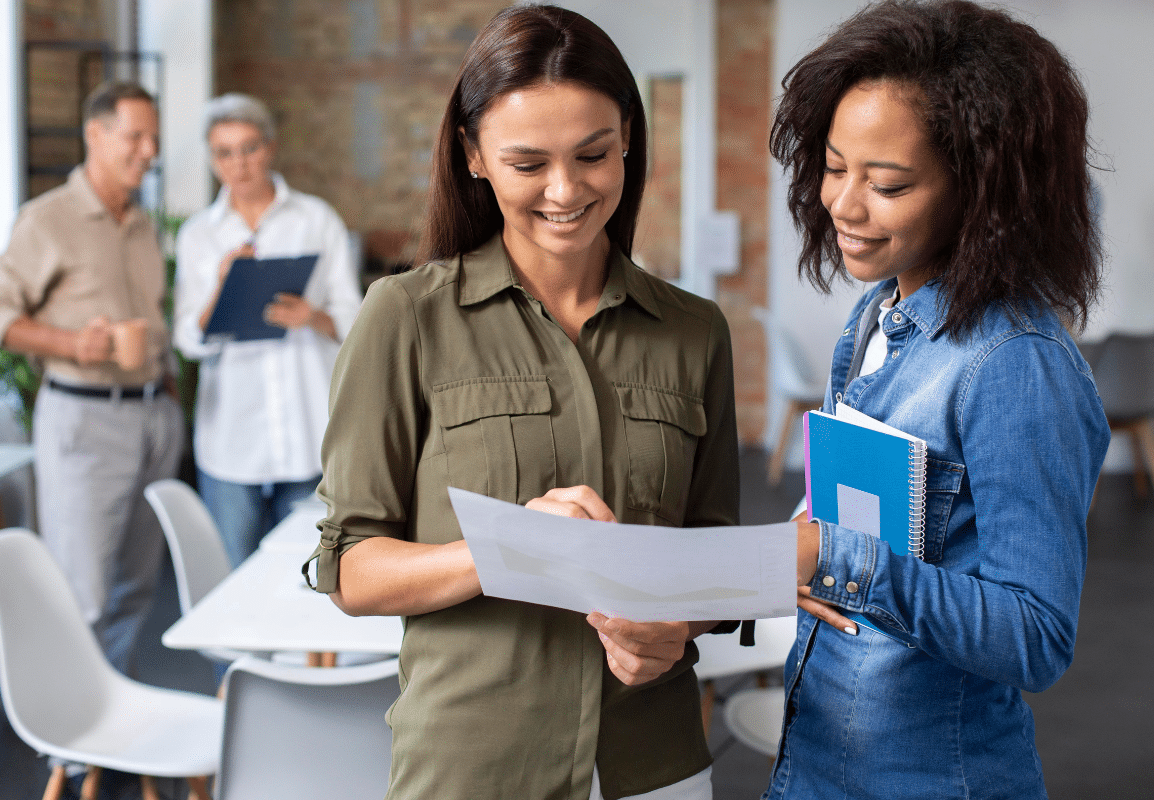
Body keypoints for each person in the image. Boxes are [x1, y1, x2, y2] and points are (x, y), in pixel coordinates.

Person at [305, 6, 740, 799]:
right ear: (473, 155)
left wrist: (677, 625)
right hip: (474, 764)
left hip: (654, 763)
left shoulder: (694, 331)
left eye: (593, 154)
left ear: (629, 140)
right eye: (528, 163)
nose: (566, 190)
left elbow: (711, 548)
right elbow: (351, 570)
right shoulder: (404, 318)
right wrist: (512, 548)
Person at [767, 1, 1110, 797]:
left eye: (886, 184)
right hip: (818, 755)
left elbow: (1036, 637)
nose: (843, 205)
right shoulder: (876, 314)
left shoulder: (1016, 365)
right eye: (832, 165)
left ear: (982, 192)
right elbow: (854, 519)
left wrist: (836, 558)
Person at [0, 81, 183, 675]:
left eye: (154, 138)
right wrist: (68, 343)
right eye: (135, 136)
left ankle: (107, 721)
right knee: (82, 592)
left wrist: (166, 390)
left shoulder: (144, 224)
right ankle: (67, 746)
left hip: (152, 416)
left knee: (138, 586)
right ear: (95, 134)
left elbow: (154, 320)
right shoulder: (47, 219)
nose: (149, 151)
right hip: (85, 420)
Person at [174, 93, 361, 568]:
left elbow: (357, 323)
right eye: (224, 153)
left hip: (307, 432)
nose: (239, 164)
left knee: (311, 575)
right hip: (230, 440)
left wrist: (312, 316)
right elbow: (188, 342)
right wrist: (221, 287)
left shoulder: (316, 220)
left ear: (270, 147)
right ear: (212, 159)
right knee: (232, 578)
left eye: (249, 148)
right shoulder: (199, 235)